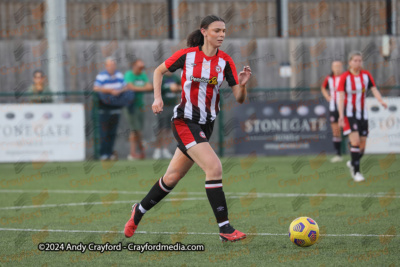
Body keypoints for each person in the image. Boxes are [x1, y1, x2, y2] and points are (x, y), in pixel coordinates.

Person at [124, 15, 252, 242]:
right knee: (214, 168)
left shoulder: (226, 62)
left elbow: (240, 98)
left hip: (206, 125)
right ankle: (225, 228)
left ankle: (139, 211)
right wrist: (157, 98)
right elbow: (158, 71)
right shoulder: (188, 55)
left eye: (223, 31)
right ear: (204, 32)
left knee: (172, 177)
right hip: (185, 121)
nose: (221, 35)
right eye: (216, 31)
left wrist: (242, 85)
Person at [337, 51, 387, 182]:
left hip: (363, 113)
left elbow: (374, 89)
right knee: (356, 142)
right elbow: (340, 97)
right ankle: (357, 172)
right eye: (355, 60)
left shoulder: (366, 75)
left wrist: (380, 100)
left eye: (360, 60)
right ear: (350, 62)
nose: (358, 63)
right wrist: (341, 115)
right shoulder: (345, 77)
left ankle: (353, 161)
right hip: (349, 113)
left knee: (363, 146)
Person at [93, 57, 126, 161]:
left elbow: (126, 86)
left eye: (114, 65)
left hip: (116, 108)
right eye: (110, 65)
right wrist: (110, 91)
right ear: (106, 66)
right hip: (104, 109)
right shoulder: (101, 76)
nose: (112, 67)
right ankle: (103, 154)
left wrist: (119, 91)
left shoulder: (119, 75)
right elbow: (96, 88)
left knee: (112, 132)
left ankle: (110, 153)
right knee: (104, 132)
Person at [124, 59, 153, 160]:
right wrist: (141, 87)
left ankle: (137, 152)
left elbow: (149, 86)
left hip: (141, 105)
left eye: (142, 67)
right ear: (134, 66)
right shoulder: (129, 74)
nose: (141, 69)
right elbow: (130, 87)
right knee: (135, 130)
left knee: (137, 130)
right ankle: (136, 151)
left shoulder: (143, 74)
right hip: (131, 106)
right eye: (139, 67)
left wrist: (137, 88)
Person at [152, 71, 181, 159]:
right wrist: (169, 88)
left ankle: (165, 149)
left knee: (169, 129)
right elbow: (157, 88)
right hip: (163, 106)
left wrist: (177, 88)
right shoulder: (161, 78)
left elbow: (181, 86)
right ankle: (157, 149)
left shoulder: (175, 78)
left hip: (173, 106)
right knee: (161, 129)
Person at [321, 61, 344, 163]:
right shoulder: (329, 78)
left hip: (345, 106)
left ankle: (354, 152)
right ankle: (338, 155)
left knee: (349, 129)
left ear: (342, 67)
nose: (337, 68)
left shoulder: (345, 77)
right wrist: (327, 96)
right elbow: (323, 88)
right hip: (333, 106)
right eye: (335, 66)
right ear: (332, 67)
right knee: (336, 130)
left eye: (339, 66)